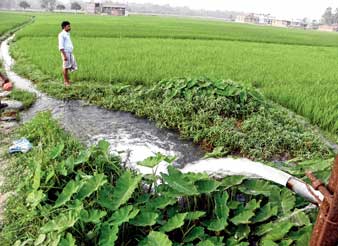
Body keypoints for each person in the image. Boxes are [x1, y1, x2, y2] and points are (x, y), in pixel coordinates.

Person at [58, 21, 77, 86]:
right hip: (65, 52)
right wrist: (64, 56)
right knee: (65, 67)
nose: (70, 27)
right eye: (68, 26)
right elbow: (61, 46)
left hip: (69, 52)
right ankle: (66, 82)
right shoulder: (61, 34)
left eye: (69, 26)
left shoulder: (67, 34)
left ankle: (67, 80)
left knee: (69, 66)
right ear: (64, 27)